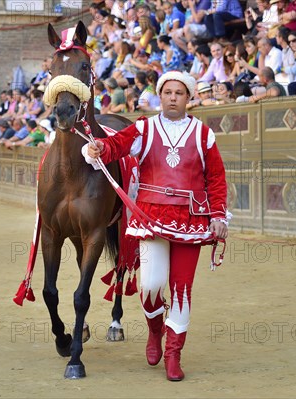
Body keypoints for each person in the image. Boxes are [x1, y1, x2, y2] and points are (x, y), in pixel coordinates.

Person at [83, 71, 229, 382]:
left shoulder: (204, 135)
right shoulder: (144, 129)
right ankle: (154, 330)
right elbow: (116, 146)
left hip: (191, 220)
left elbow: (216, 178)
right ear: (160, 96)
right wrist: (99, 148)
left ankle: (173, 354)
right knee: (150, 286)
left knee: (180, 290)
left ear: (188, 98)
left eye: (179, 93)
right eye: (168, 92)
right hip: (150, 218)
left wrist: (218, 215)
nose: (173, 97)